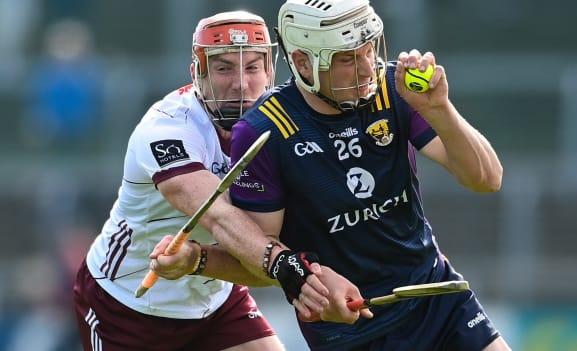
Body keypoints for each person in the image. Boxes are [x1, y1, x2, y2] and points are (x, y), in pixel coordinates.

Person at [224, 0, 511, 350]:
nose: (365, 69)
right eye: (346, 58)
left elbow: (486, 179)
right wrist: (309, 281)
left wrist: (439, 109)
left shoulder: (394, 88)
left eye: (368, 49)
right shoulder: (264, 131)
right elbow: (259, 258)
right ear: (303, 62)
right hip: (352, 328)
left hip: (436, 296)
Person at [73, 11, 366, 351]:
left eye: (252, 67)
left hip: (215, 299)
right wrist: (291, 270)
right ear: (198, 73)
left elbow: (269, 242)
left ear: (270, 71)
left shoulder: (287, 125)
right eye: (224, 68)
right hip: (126, 304)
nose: (241, 83)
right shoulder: (167, 129)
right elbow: (218, 217)